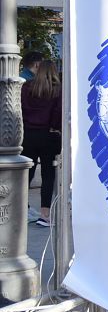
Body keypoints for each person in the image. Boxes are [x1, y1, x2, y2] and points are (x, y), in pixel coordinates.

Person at [21, 60, 61, 226]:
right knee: (48, 175)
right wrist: (55, 127)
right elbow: (58, 112)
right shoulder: (57, 89)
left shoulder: (26, 87)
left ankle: (21, 210)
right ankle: (45, 215)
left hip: (28, 134)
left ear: (38, 69)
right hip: (49, 135)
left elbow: (20, 107)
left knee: (25, 175)